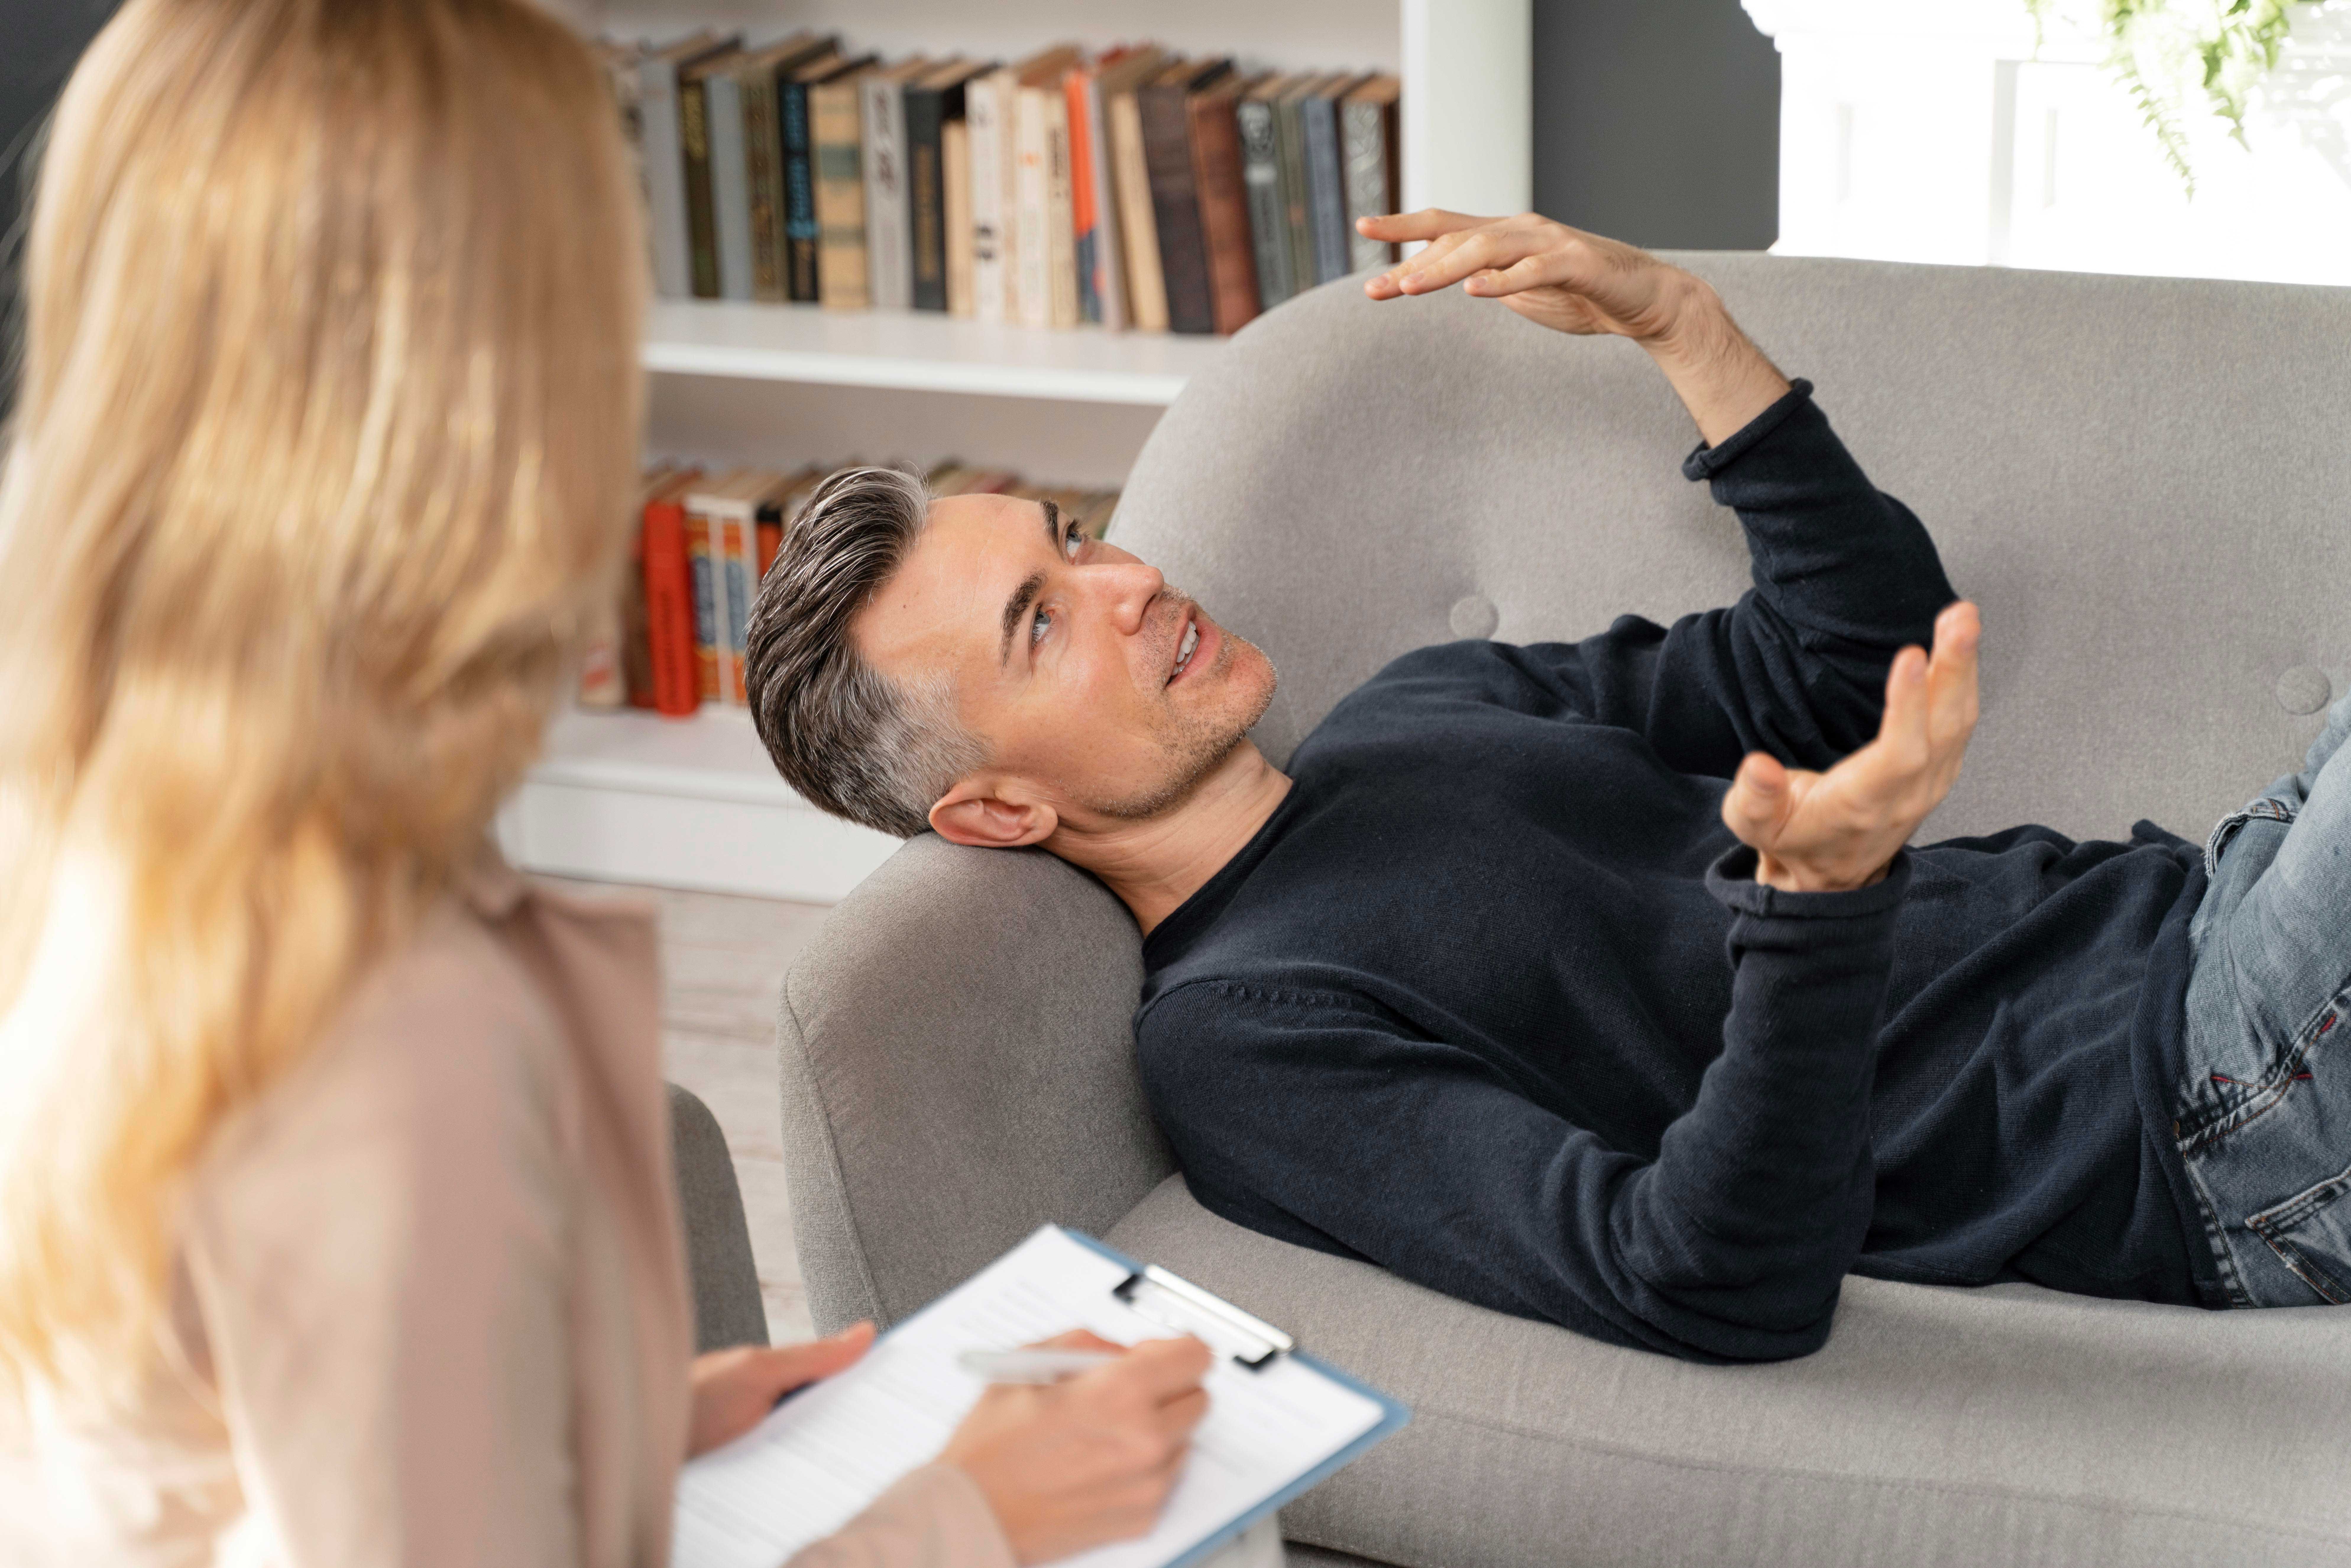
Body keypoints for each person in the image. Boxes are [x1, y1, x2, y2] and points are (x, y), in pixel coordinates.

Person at [0, 2, 1212, 1562]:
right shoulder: (392, 1023)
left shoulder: (98, 825)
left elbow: (233, 1462)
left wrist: (572, 1439)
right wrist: (974, 1512)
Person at [747, 207, 2351, 1365]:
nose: (1129, 584)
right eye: (1043, 621)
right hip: (2213, 1109)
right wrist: (1819, 900)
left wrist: (1685, 327)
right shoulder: (1241, 1036)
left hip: (2216, 893)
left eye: (1077, 540)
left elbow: (1860, 656)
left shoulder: (1419, 710)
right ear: (997, 812)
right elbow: (1706, 1280)